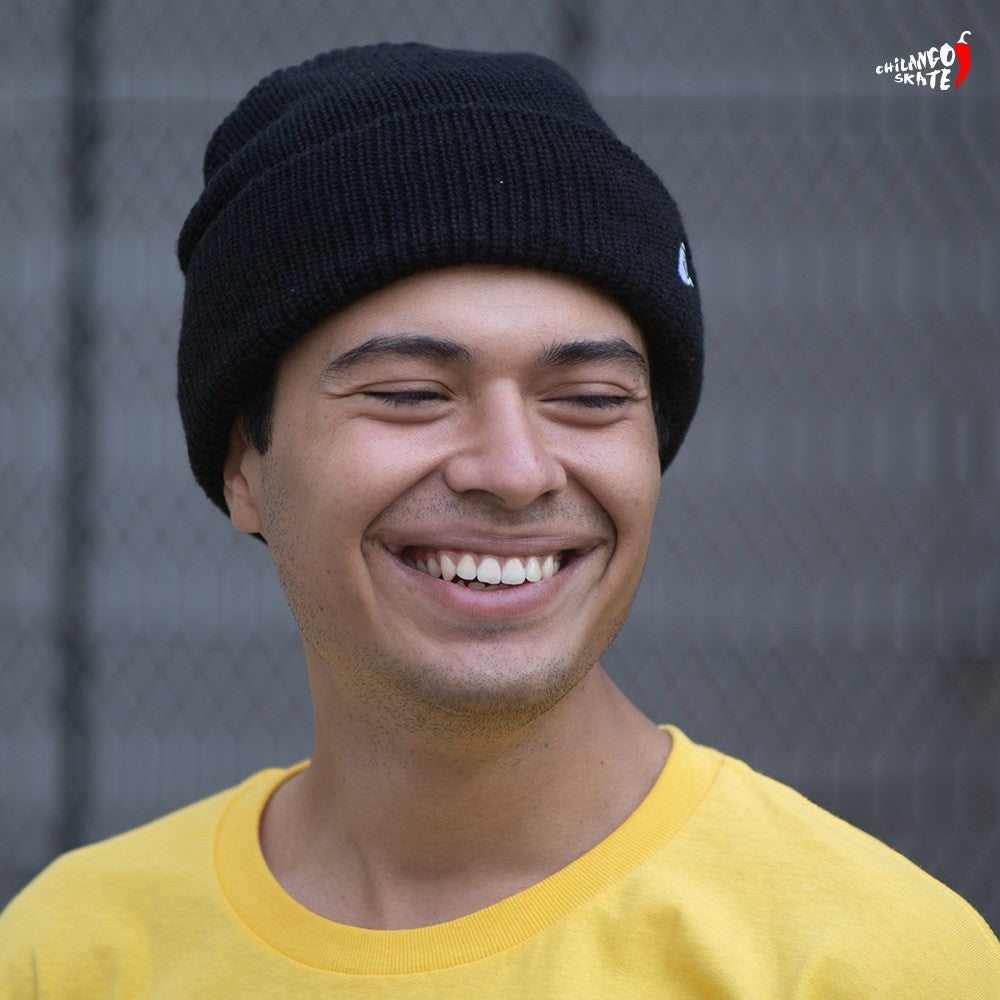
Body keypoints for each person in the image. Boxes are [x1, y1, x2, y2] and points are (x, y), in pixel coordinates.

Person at [1, 42, 997, 998]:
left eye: (591, 399)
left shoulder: (866, 965)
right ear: (242, 467)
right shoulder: (66, 956)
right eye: (408, 393)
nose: (516, 472)